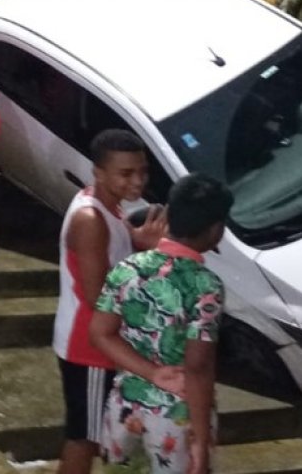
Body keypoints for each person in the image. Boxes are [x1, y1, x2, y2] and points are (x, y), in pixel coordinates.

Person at [90, 174, 232, 474]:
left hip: (125, 406)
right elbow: (198, 367)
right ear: (216, 229)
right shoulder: (205, 285)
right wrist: (201, 439)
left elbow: (101, 333)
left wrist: (152, 372)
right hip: (177, 417)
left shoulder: (126, 268)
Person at [54, 129, 167, 474]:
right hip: (87, 345)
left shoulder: (108, 207)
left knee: (91, 432)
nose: (138, 181)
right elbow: (97, 294)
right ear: (99, 172)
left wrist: (137, 244)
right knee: (84, 438)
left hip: (96, 340)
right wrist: (147, 264)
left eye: (142, 171)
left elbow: (114, 256)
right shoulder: (90, 219)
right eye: (126, 173)